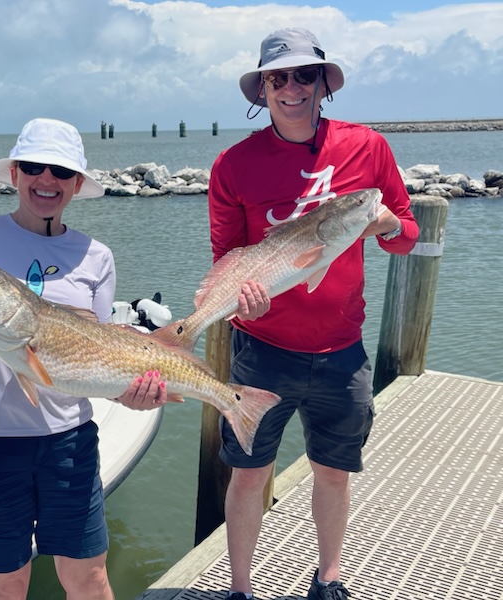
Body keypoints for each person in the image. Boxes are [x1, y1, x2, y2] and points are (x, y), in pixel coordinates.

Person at [0, 117, 166, 600]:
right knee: (6, 585)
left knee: (89, 579)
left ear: (75, 184)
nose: (46, 180)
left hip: (67, 443)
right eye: (33, 167)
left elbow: (90, 354)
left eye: (60, 172)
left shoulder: (96, 256)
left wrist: (131, 394)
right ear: (14, 174)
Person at [208, 28, 419, 600]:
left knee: (333, 470)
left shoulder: (367, 147)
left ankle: (328, 580)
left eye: (305, 74)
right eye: (279, 77)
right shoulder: (233, 164)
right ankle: (241, 589)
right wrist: (238, 296)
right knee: (249, 473)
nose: (292, 87)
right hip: (261, 351)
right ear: (262, 88)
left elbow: (406, 233)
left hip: (341, 352)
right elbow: (227, 255)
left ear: (324, 82)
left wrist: (386, 224)